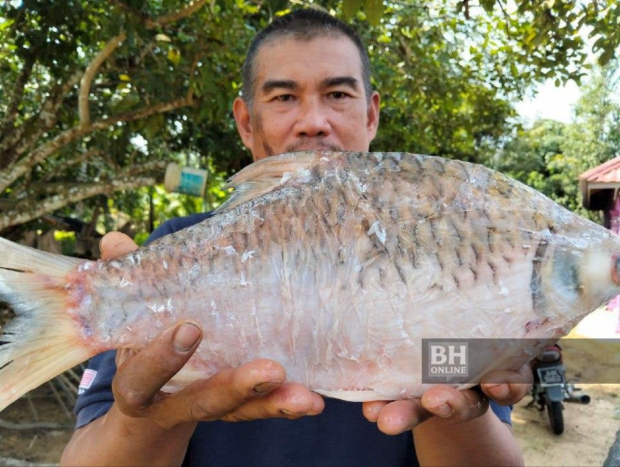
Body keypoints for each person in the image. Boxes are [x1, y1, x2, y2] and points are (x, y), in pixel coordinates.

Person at [61, 9, 529, 466]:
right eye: (284, 98)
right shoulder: (169, 253)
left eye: (338, 95)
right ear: (247, 122)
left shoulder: (442, 251)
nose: (312, 121)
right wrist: (154, 414)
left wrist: (442, 387)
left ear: (371, 114)